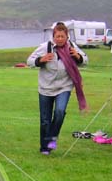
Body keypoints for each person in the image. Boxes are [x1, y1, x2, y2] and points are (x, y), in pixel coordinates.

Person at [27, 22, 89, 155]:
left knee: (60, 112)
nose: (60, 39)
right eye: (57, 36)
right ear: (53, 36)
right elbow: (29, 61)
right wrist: (41, 59)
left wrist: (78, 57)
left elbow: (85, 60)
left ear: (67, 37)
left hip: (64, 87)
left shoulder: (72, 47)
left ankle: (51, 140)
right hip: (46, 88)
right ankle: (45, 148)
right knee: (45, 120)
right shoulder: (45, 47)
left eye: (62, 36)